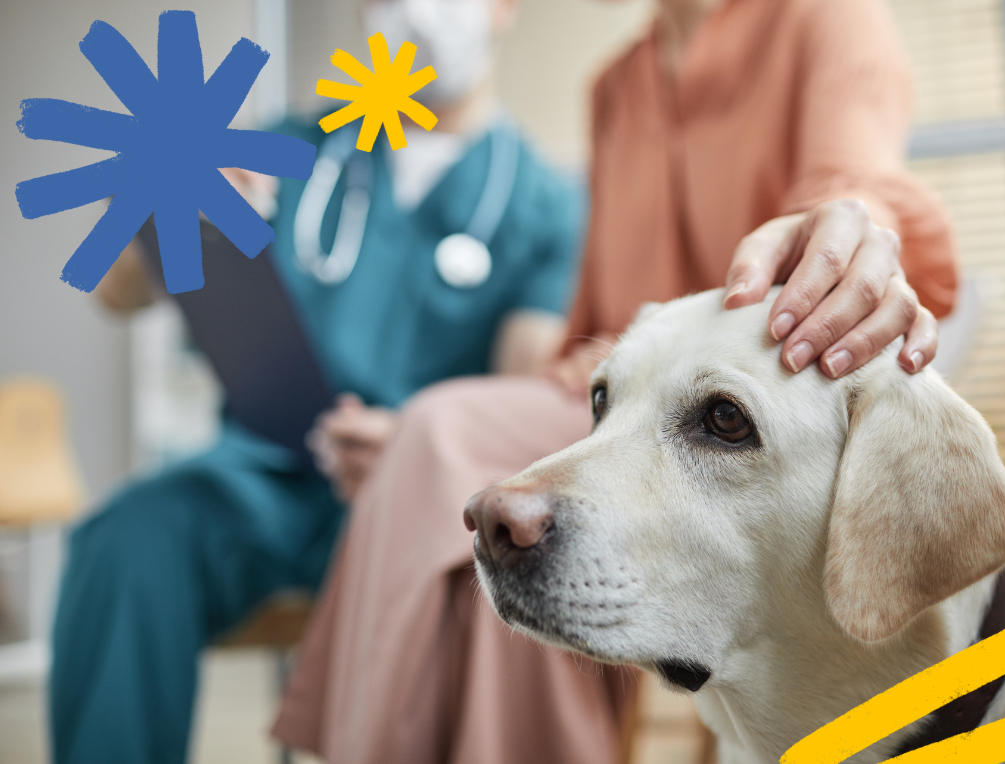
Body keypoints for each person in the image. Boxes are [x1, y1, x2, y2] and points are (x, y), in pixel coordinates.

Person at [270, 0, 958, 762]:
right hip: (612, 407)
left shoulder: (824, 17)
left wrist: (852, 227)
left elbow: (855, 182)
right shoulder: (615, 88)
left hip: (752, 420)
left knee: (446, 440)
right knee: (445, 452)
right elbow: (592, 337)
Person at [48, 2, 586, 762]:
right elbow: (115, 291)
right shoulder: (290, 146)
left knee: (476, 599)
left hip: (420, 497)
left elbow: (518, 385)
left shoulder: (546, 203)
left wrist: (412, 448)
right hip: (261, 482)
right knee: (127, 538)